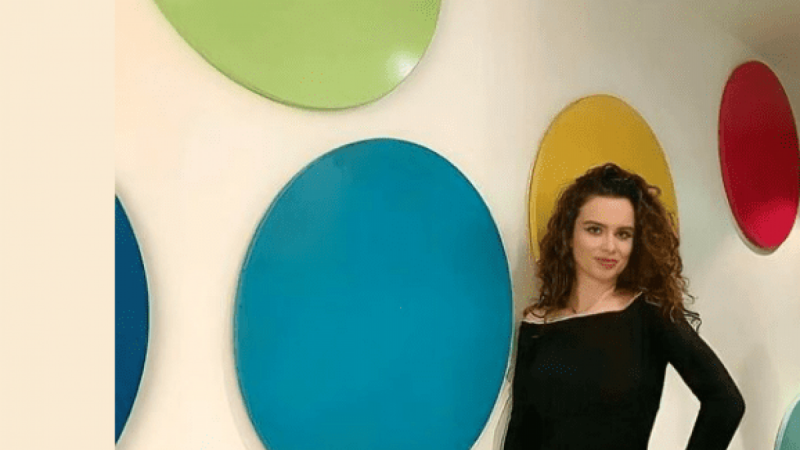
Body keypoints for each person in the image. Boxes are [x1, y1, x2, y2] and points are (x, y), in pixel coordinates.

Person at [503, 163, 745, 449]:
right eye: (595, 230)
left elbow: (725, 402)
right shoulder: (536, 324)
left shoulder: (650, 314)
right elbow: (521, 432)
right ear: (569, 235)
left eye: (623, 234)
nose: (610, 246)